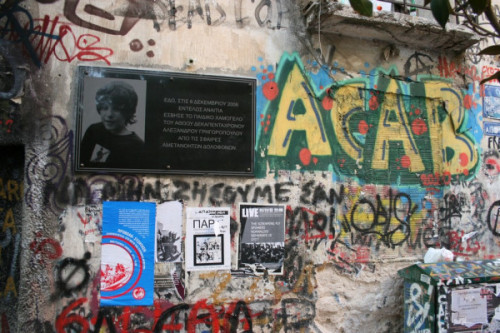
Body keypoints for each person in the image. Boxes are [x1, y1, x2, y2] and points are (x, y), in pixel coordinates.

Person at [80, 80, 145, 169]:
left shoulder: (136, 146)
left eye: (116, 109)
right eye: (105, 108)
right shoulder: (94, 130)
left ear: (127, 112)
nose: (109, 114)